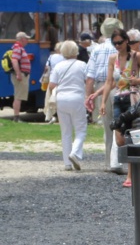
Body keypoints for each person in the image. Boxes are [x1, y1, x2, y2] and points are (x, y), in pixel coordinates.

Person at [100, 27, 140, 188]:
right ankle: (135, 164)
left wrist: (139, 80)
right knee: (119, 139)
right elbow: (109, 82)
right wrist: (103, 101)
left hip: (133, 98)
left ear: (126, 41)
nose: (117, 46)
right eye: (115, 43)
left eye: (120, 43)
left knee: (131, 136)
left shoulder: (136, 56)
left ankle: (131, 175)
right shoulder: (113, 58)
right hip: (118, 98)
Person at [85, 17, 124, 174]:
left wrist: (89, 97)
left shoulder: (96, 49)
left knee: (107, 126)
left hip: (101, 87)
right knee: (120, 125)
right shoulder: (120, 48)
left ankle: (108, 162)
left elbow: (89, 77)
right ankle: (119, 161)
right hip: (118, 86)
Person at [49, 40, 88, 172]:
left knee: (65, 131)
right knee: (80, 129)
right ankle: (75, 153)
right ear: (76, 51)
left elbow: (52, 85)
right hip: (77, 98)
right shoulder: (82, 65)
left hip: (61, 99)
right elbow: (88, 81)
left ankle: (67, 163)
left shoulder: (58, 66)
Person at [10, 32, 31, 123]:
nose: (27, 41)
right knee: (18, 96)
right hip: (21, 75)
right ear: (22, 39)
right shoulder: (18, 48)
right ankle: (16, 118)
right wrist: (18, 74)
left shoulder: (19, 48)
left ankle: (16, 117)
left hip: (22, 74)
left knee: (18, 96)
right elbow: (14, 60)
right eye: (26, 39)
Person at [44, 42, 64, 123]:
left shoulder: (51, 57)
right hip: (63, 80)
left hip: (52, 80)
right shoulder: (65, 58)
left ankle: (50, 116)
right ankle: (60, 116)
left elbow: (47, 68)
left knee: (51, 98)